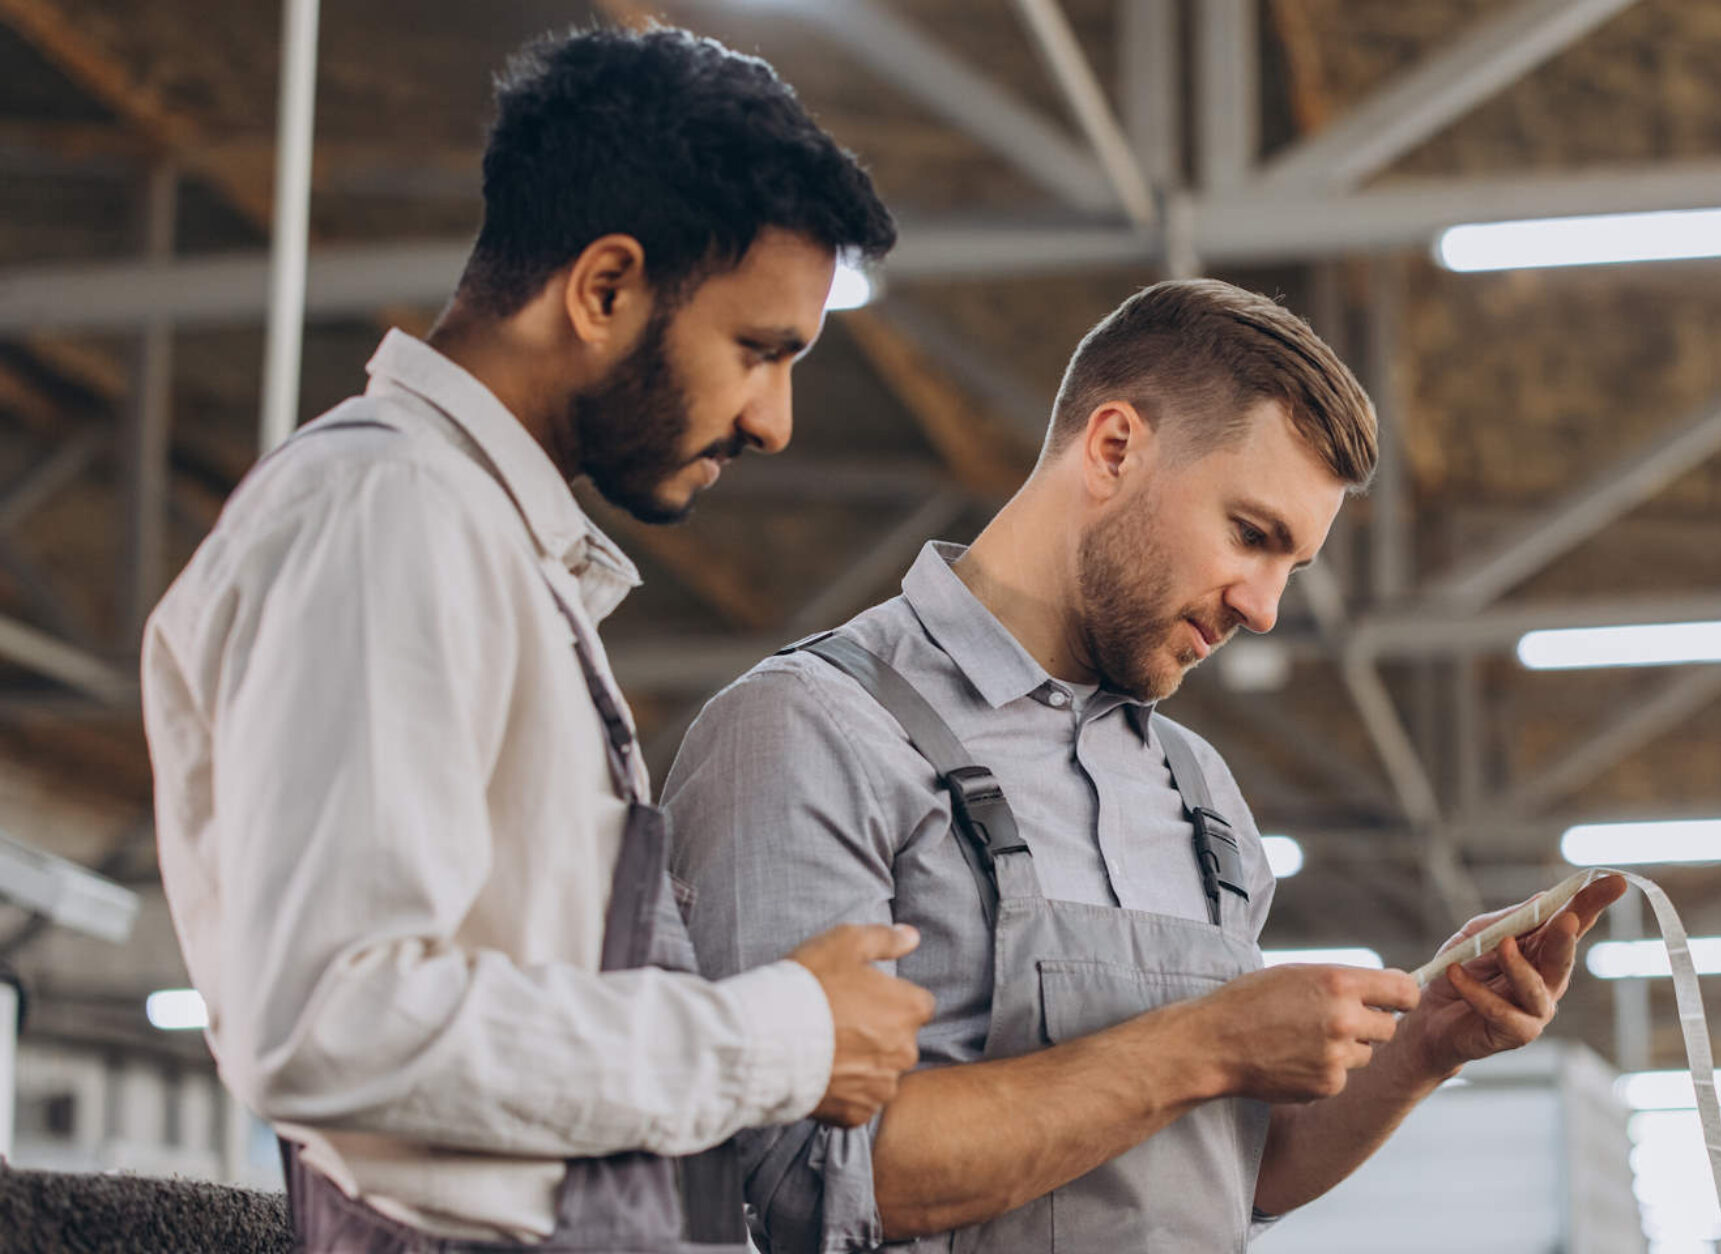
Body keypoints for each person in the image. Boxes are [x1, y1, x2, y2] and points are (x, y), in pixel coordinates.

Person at [141, 26, 934, 1250]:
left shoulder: (474, 534)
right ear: (604, 289)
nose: (773, 420)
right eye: (758, 351)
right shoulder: (387, 513)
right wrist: (780, 1037)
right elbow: (334, 1021)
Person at [663, 278, 1626, 1251]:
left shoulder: (1198, 791)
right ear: (1115, 448)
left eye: (1292, 566)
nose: (1264, 608)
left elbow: (1234, 1170)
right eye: (1251, 535)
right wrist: (1205, 1045)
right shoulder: (812, 730)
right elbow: (799, 1184)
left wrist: (1423, 1048)